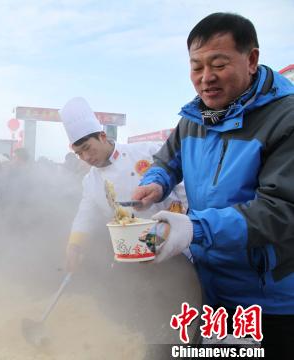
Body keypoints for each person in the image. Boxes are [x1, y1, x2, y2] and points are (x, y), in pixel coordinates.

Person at [132, 13, 294, 351]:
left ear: (251, 60)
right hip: (209, 288)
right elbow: (167, 159)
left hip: (270, 301)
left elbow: (280, 211)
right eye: (196, 67)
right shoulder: (195, 117)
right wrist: (156, 182)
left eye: (218, 64)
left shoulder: (286, 120)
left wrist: (194, 229)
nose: (206, 78)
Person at [59, 97, 186, 272]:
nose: (86, 157)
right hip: (134, 255)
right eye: (79, 153)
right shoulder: (91, 181)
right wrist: (74, 246)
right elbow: (85, 215)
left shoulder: (149, 151)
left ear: (102, 136)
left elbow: (184, 187)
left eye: (88, 148)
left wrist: (186, 221)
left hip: (177, 246)